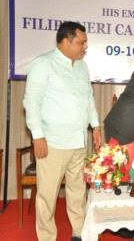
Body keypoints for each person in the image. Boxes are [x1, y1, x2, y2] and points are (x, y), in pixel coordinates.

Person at [23, 21, 101, 241]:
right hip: (52, 142)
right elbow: (31, 102)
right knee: (47, 196)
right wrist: (38, 136)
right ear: (66, 41)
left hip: (78, 141)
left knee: (78, 192)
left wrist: (95, 125)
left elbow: (88, 98)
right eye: (82, 42)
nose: (85, 47)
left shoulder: (82, 67)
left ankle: (79, 233)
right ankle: (47, 238)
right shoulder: (43, 64)